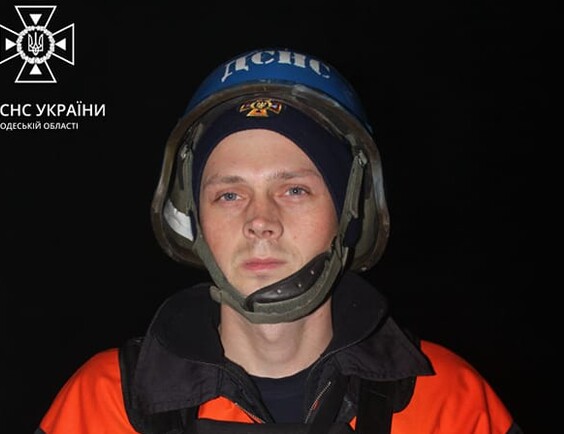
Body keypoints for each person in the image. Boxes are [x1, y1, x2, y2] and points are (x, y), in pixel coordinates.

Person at [35, 48, 523, 434]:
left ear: (350, 213)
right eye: (229, 195)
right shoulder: (107, 405)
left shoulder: (447, 401)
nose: (260, 222)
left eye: (294, 190)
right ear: (192, 218)